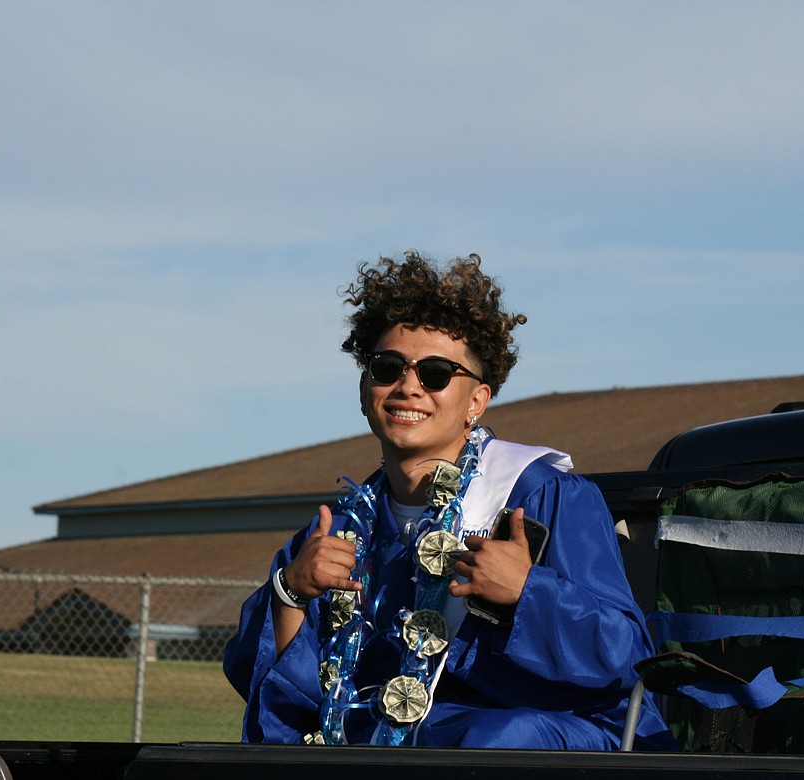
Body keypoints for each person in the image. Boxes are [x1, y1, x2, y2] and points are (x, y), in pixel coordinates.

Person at [223, 251, 674, 750]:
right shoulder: (341, 528)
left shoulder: (543, 496)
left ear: (477, 402)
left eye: (436, 373)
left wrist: (528, 591)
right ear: (364, 388)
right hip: (406, 748)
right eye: (387, 367)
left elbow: (625, 656)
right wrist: (291, 593)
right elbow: (279, 696)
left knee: (495, 740)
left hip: (547, 741)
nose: (408, 386)